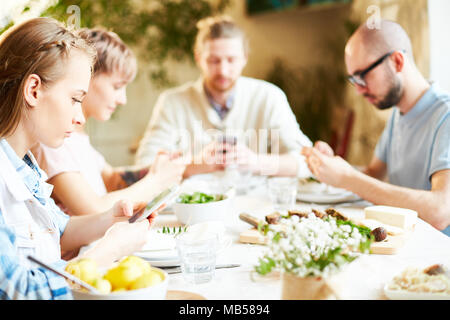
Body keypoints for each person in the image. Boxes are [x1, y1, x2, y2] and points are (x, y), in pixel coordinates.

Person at [0, 17, 157, 299]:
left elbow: (60, 229)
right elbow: (21, 291)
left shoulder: (23, 164)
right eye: (75, 99)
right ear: (33, 90)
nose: (79, 116)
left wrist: (112, 218)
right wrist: (108, 252)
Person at [302, 19, 450, 235]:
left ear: (397, 62)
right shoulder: (399, 113)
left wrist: (347, 178)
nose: (359, 91)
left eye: (363, 76)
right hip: (401, 242)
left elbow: (440, 211)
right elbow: (373, 174)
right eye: (354, 80)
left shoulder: (445, 116)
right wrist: (333, 166)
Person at [31, 28, 186, 216]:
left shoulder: (78, 136)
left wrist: (170, 168)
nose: (123, 99)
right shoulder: (55, 139)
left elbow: (111, 179)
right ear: (87, 76)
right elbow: (93, 209)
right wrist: (156, 180)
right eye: (117, 86)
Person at [135, 15, 312, 178]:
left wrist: (255, 161)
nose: (223, 71)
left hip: (256, 206)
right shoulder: (172, 102)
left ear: (244, 58)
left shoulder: (269, 97)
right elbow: (144, 168)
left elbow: (307, 162)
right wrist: (195, 165)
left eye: (231, 60)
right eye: (214, 60)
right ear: (198, 58)